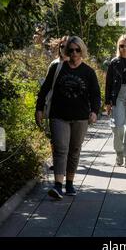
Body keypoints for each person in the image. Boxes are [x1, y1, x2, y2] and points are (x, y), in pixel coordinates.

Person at [35, 36, 101, 199]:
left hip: (80, 117)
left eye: (77, 50)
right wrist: (39, 109)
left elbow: (95, 95)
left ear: (82, 50)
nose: (74, 53)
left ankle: (70, 184)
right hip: (59, 115)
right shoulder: (58, 68)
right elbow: (45, 89)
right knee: (60, 149)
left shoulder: (88, 72)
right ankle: (58, 186)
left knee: (74, 150)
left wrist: (94, 111)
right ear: (66, 51)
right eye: (70, 50)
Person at [105, 35, 126, 168]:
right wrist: (107, 102)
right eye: (121, 46)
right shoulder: (114, 62)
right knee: (118, 127)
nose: (124, 48)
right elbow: (108, 83)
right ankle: (119, 153)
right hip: (118, 95)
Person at [46, 36, 70, 171]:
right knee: (54, 136)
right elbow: (47, 85)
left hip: (72, 107)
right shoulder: (54, 64)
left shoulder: (76, 64)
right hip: (54, 104)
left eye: (67, 47)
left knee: (67, 139)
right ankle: (57, 161)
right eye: (62, 47)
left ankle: (66, 161)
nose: (64, 50)